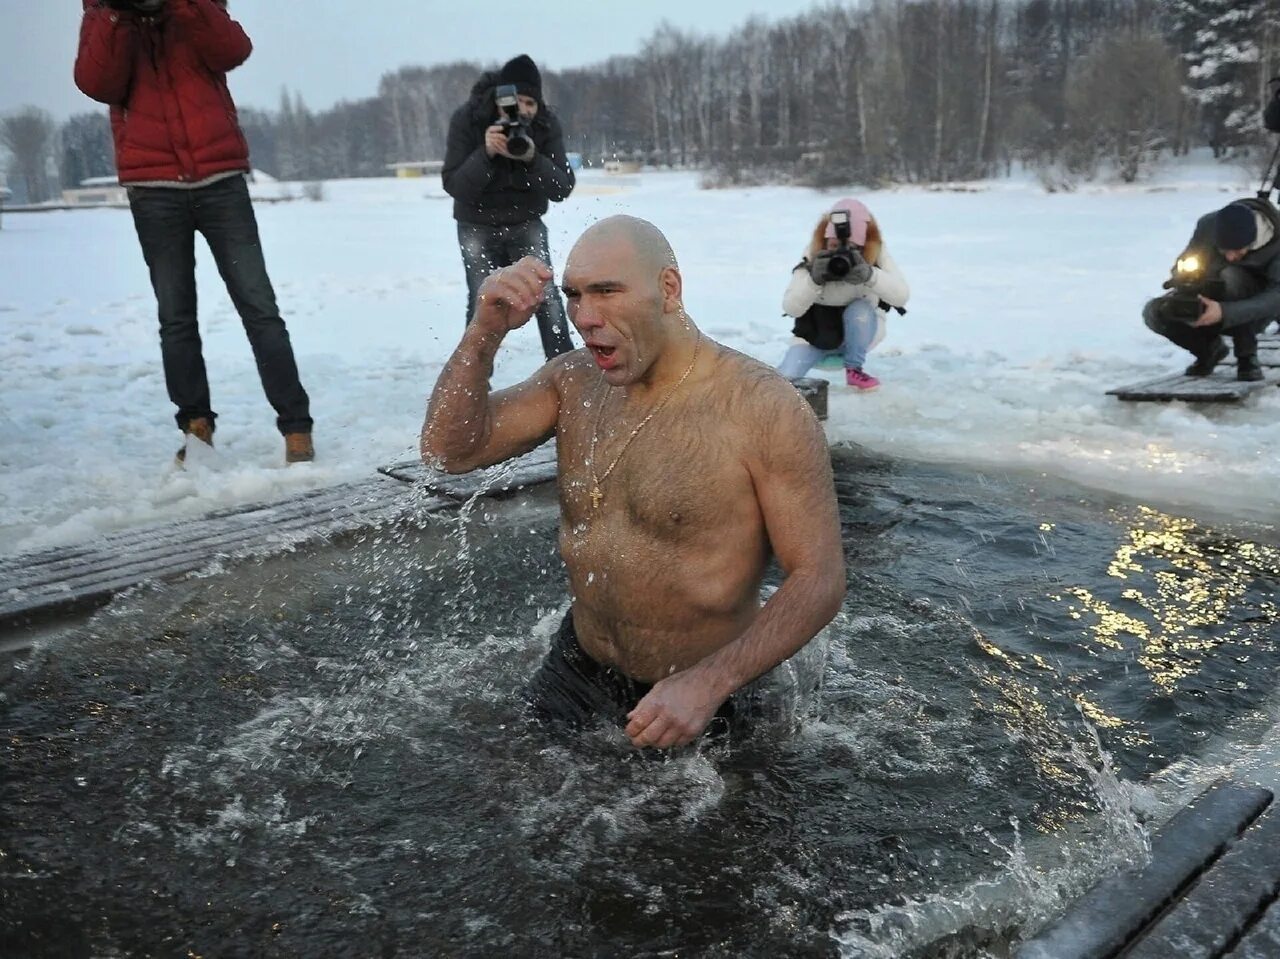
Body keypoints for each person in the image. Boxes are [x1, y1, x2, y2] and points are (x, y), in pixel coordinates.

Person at [420, 216, 846, 749]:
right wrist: (484, 333)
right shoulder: (573, 381)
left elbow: (819, 579)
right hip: (581, 668)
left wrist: (708, 683)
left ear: (669, 289)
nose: (585, 317)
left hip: (712, 690)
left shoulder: (759, 407)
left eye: (607, 292)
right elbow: (448, 451)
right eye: (574, 295)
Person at [73, 0, 314, 465]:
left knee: (260, 307)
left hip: (220, 181)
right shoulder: (101, 11)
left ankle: (296, 426)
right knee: (176, 316)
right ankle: (195, 426)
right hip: (153, 188)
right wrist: (116, 15)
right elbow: (98, 82)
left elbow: (232, 49)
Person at [442, 55, 577, 361]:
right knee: (482, 301)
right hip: (475, 223)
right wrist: (486, 153)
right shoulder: (468, 120)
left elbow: (562, 187)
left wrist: (532, 157)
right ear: (499, 100)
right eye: (515, 103)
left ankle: (566, 372)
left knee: (547, 298)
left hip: (525, 221)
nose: (523, 111)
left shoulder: (544, 125)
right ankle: (472, 379)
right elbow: (455, 185)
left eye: (530, 103)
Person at [777, 198, 910, 391]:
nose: (841, 255)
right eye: (833, 246)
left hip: (860, 332)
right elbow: (791, 308)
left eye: (852, 248)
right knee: (783, 382)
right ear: (823, 241)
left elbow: (901, 296)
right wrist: (814, 280)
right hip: (815, 334)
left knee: (860, 309)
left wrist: (870, 275)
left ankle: (855, 369)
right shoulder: (812, 256)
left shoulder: (876, 256)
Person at [1143, 199, 1280, 382]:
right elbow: (1186, 260)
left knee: (1233, 276)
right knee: (1157, 311)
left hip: (1259, 307)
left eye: (1237, 250)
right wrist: (1184, 282)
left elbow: (1275, 297)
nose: (1230, 256)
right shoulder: (1208, 225)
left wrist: (1224, 312)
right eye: (1224, 250)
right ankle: (1209, 350)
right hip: (1214, 288)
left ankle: (1247, 356)